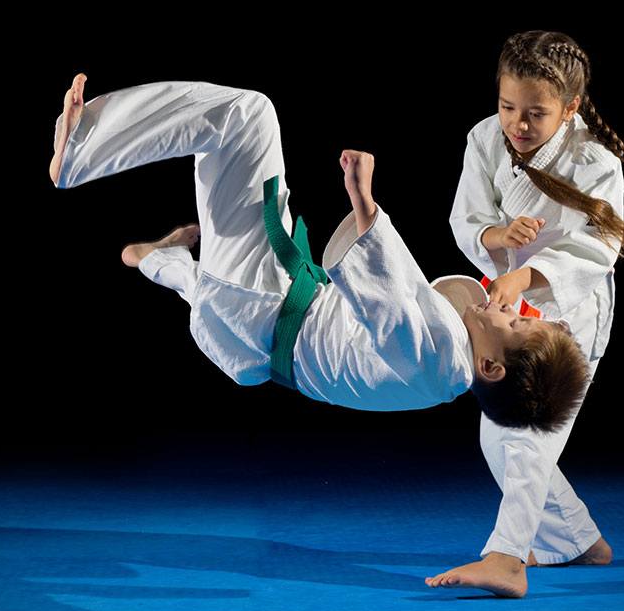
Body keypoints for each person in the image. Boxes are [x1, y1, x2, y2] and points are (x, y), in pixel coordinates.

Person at [49, 75, 593, 427]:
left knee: (247, 116)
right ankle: (156, 258)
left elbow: (391, 303)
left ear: (490, 368)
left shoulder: (441, 360)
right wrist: (539, 327)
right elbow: (427, 301)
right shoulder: (445, 366)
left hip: (266, 300)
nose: (514, 313)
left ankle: (81, 152)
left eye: (519, 326)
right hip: (261, 322)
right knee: (199, 287)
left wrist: (364, 204)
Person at [427, 30, 624, 597]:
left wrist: (528, 272)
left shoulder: (594, 161)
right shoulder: (482, 139)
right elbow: (464, 218)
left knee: (526, 437)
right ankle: (577, 539)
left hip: (569, 315)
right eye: (507, 106)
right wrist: (496, 234)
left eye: (536, 113)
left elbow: (599, 248)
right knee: (501, 440)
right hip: (508, 305)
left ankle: (508, 557)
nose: (518, 124)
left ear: (569, 108)